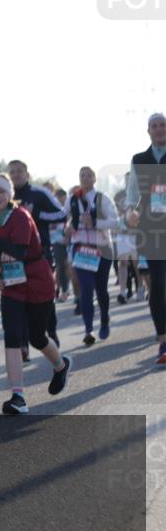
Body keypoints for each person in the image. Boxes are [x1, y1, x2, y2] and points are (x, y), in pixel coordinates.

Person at [0, 173, 71, 415]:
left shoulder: (20, 216)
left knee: (36, 337)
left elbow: (18, 251)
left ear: (10, 194)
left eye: (1, 191)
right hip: (12, 282)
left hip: (36, 277)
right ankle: (18, 396)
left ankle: (61, 365)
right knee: (11, 336)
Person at [8, 160, 69, 355]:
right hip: (14, 256)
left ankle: (51, 332)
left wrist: (38, 215)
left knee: (46, 299)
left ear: (27, 174)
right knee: (20, 299)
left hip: (40, 253)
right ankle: (24, 343)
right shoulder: (4, 195)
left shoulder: (39, 194)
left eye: (19, 171)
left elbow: (61, 215)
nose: (16, 175)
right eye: (12, 172)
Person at [124, 112, 166, 363]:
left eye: (163, 125)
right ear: (148, 131)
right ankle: (163, 341)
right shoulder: (139, 160)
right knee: (158, 286)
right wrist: (130, 212)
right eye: (155, 126)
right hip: (151, 230)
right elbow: (132, 196)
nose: (159, 129)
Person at [66, 166, 118, 346]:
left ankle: (104, 318)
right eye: (82, 175)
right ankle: (88, 329)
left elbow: (115, 221)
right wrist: (66, 227)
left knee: (101, 289)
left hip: (102, 248)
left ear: (95, 179)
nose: (85, 178)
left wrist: (95, 221)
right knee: (86, 290)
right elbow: (62, 216)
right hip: (82, 250)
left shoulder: (103, 199)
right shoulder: (72, 198)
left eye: (89, 175)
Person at [51, 188, 73, 302]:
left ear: (65, 197)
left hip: (70, 241)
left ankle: (67, 288)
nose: (60, 200)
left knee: (67, 266)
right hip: (57, 242)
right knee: (59, 266)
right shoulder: (52, 211)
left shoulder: (69, 210)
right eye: (57, 197)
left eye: (62, 197)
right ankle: (62, 290)